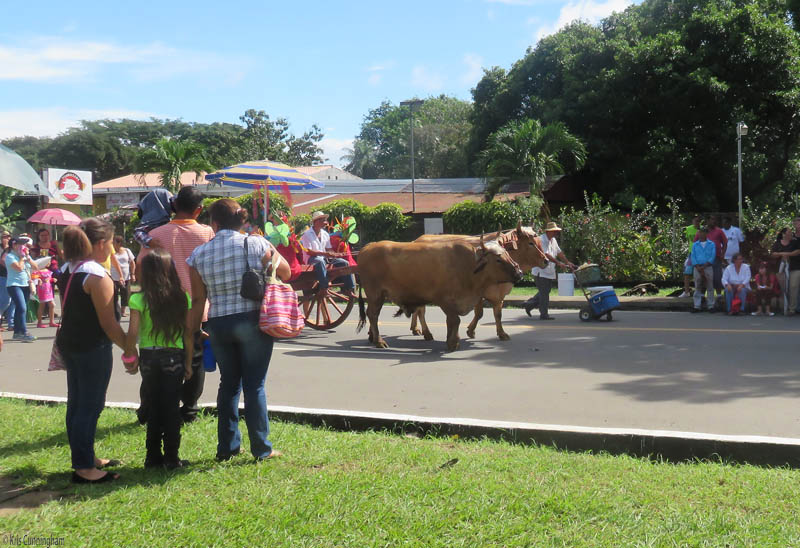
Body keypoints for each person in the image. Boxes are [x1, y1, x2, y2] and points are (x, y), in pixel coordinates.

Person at [186, 199, 290, 462]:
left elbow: (198, 300)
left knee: (229, 385)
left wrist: (194, 331)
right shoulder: (256, 244)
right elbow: (286, 272)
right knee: (254, 385)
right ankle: (262, 449)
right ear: (241, 221)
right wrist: (269, 249)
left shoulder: (198, 255)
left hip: (218, 323)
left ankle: (227, 448)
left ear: (214, 223)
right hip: (251, 319)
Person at [57, 219, 130, 483]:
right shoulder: (97, 276)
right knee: (90, 405)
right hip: (92, 347)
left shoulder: (68, 269)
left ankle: (85, 457)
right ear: (100, 244)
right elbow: (109, 324)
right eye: (110, 244)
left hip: (71, 343)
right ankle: (85, 468)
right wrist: (129, 349)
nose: (111, 250)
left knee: (77, 403)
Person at [137, 186, 214, 423]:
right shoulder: (207, 233)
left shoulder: (155, 234)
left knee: (157, 359)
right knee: (195, 360)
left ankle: (149, 410)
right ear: (199, 209)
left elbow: (140, 269)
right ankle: (189, 410)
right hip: (197, 308)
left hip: (163, 308)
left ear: (175, 205)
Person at [125, 250, 193, 469]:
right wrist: (189, 362)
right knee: (172, 408)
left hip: (148, 357)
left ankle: (152, 457)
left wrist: (130, 356)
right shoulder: (182, 297)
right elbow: (188, 333)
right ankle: (172, 457)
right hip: (174, 356)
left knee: (153, 406)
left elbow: (132, 332)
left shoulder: (138, 299)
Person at [523, 221, 575, 320]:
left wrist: (567, 262)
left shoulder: (553, 240)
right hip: (541, 271)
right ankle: (544, 314)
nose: (556, 233)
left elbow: (559, 253)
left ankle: (529, 304)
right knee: (544, 293)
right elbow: (546, 255)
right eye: (554, 231)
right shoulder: (541, 240)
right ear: (548, 231)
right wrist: (559, 263)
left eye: (556, 231)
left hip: (548, 270)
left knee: (545, 291)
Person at [300, 211, 355, 296]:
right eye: (323, 220)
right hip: (311, 259)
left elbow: (329, 249)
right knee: (320, 261)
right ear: (316, 221)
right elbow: (309, 252)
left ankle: (349, 288)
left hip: (324, 258)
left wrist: (335, 254)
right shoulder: (307, 234)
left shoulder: (325, 234)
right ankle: (324, 288)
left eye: (325, 220)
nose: (326, 222)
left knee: (344, 263)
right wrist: (326, 254)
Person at [5, 236, 39, 342]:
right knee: (22, 307)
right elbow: (19, 268)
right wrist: (21, 257)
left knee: (20, 309)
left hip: (25, 285)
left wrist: (27, 257)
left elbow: (35, 267)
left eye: (24, 244)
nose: (23, 246)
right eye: (21, 244)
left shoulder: (24, 256)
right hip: (14, 285)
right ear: (14, 245)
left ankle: (17, 333)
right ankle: (24, 332)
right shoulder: (10, 256)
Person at [771, 227, 800, 315]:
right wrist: (781, 254)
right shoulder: (777, 243)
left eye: (791, 232)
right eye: (789, 232)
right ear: (784, 234)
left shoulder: (795, 242)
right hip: (781, 269)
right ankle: (784, 307)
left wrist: (787, 254)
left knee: (793, 287)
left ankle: (792, 309)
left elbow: (798, 251)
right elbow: (773, 254)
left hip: (795, 268)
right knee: (784, 288)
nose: (791, 233)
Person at [691, 227, 716, 313]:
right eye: (700, 232)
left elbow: (712, 256)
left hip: (707, 267)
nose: (701, 234)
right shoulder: (695, 245)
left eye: (703, 232)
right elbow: (693, 256)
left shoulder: (711, 244)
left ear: (706, 233)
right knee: (697, 286)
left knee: (710, 286)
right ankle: (697, 306)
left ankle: (711, 306)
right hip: (697, 267)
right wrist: (698, 267)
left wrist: (704, 266)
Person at [110, 236, 135, 317]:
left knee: (125, 295)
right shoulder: (111, 252)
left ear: (119, 243)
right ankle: (115, 311)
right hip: (113, 277)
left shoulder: (127, 251)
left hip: (126, 277)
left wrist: (133, 274)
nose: (112, 244)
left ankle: (122, 311)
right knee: (113, 295)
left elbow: (132, 263)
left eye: (113, 242)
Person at [680, 216, 702, 297]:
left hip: (700, 255)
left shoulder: (703, 229)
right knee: (687, 272)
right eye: (695, 221)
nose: (697, 222)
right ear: (692, 221)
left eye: (698, 221)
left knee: (699, 274)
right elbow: (688, 240)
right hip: (691, 254)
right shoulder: (688, 228)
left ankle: (699, 292)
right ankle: (686, 292)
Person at [0, 232, 15, 332]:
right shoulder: (5, 250)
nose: (6, 238)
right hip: (3, 276)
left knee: (13, 301)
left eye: (8, 236)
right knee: (5, 301)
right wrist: (11, 268)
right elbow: (2, 260)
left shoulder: (12, 249)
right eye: (4, 236)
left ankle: (11, 324)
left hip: (12, 277)